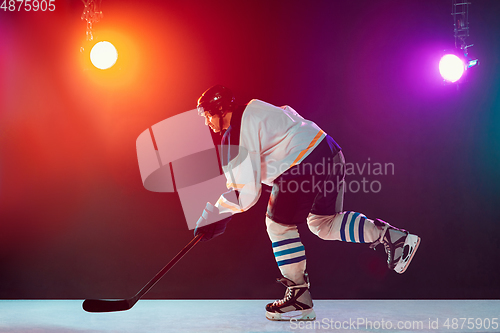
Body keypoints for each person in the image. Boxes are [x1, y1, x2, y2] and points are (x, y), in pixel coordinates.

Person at [194, 85, 420, 321]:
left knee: (278, 225)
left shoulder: (236, 133)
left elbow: (246, 194)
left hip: (302, 162)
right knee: (323, 223)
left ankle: (299, 298)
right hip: (329, 152)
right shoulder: (257, 109)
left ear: (220, 110)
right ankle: (393, 237)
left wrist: (215, 214)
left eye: (208, 114)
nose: (207, 121)